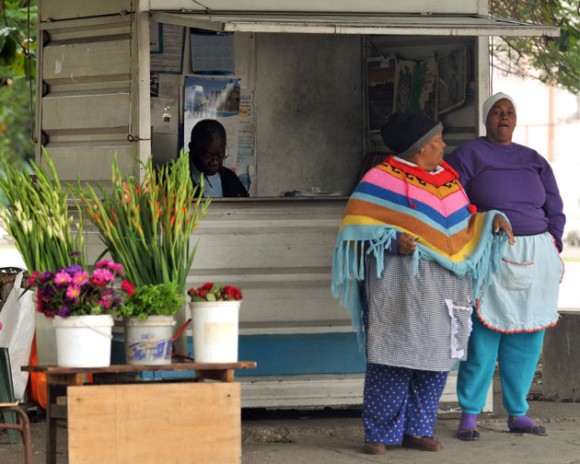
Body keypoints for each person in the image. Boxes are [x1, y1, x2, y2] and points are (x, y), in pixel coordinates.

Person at [331, 112, 514, 455]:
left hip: (445, 285)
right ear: (419, 148)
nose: (444, 145)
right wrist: (393, 242)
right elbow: (355, 229)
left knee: (436, 357)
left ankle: (418, 429)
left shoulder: (448, 180)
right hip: (398, 285)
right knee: (393, 356)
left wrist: (492, 220)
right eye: (438, 140)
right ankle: (379, 433)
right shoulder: (380, 180)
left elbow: (462, 224)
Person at [445, 92, 565, 441]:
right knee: (484, 335)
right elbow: (448, 200)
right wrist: (482, 222)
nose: (504, 117)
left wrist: (554, 242)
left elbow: (554, 205)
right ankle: (469, 414)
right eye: (497, 112)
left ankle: (518, 411)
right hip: (492, 252)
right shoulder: (469, 154)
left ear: (516, 119)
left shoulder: (533, 159)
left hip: (537, 252)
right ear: (486, 119)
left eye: (509, 112)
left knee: (529, 334)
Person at [188, 119, 249, 198]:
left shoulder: (230, 178)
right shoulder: (171, 177)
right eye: (208, 155)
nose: (215, 162)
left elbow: (244, 208)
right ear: (192, 148)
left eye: (220, 155)